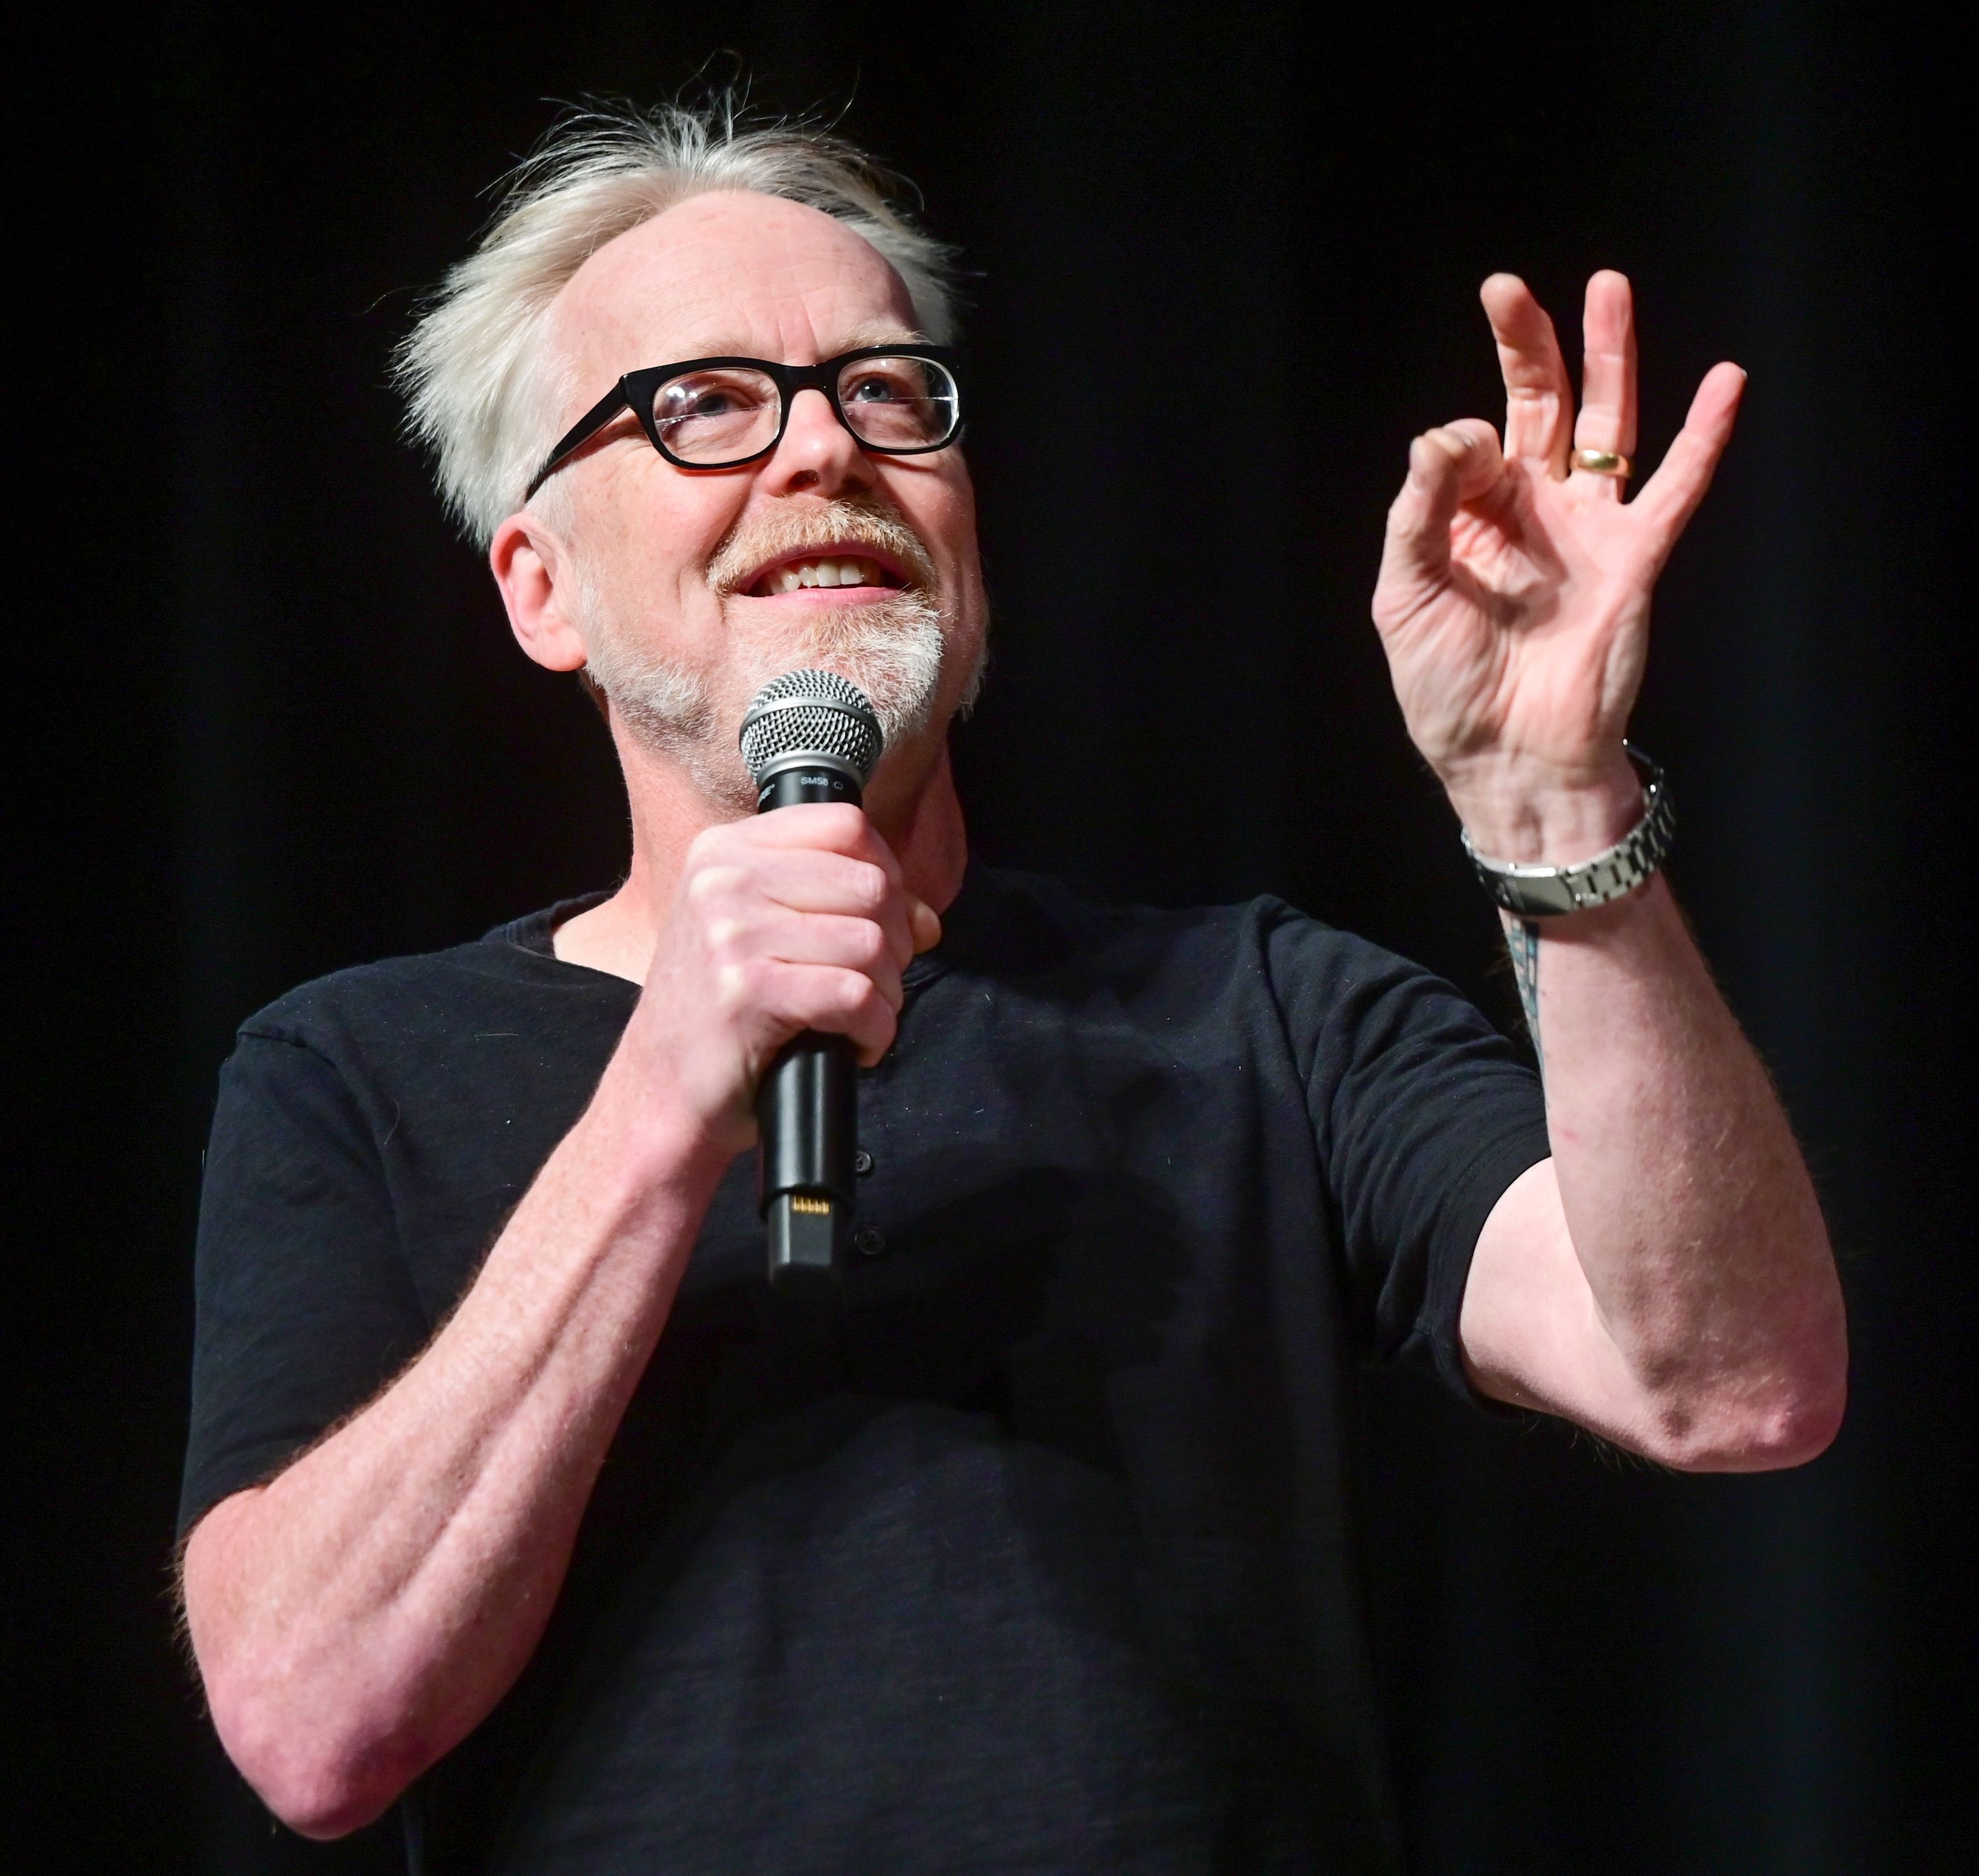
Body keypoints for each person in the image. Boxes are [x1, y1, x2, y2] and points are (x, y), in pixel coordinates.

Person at [176, 97, 1846, 1874]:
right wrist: (659, 1113)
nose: (825, 451)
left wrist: (1554, 801)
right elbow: (309, 1723)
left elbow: (1730, 1382)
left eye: (887, 391)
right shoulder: (349, 1069)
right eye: (706, 404)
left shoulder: (1258, 1015)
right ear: (541, 587)